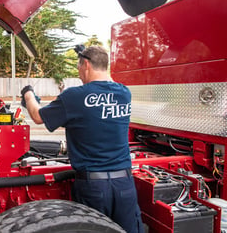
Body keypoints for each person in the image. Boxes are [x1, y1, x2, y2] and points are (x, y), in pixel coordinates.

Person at [20, 45, 143, 233]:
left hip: (93, 188)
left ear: (86, 64)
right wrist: (94, 55)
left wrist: (28, 94)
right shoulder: (124, 93)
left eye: (79, 68)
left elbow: (37, 116)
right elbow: (107, 81)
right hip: (125, 185)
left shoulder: (74, 97)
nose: (79, 74)